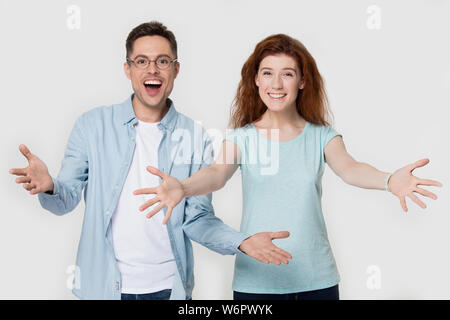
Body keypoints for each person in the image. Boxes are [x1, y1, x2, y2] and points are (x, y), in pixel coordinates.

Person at [134, 33, 443, 300]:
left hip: (317, 282)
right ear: (255, 79)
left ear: (303, 80)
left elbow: (350, 168)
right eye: (267, 73)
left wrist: (389, 180)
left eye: (288, 74)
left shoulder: (322, 137)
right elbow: (216, 175)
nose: (277, 84)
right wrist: (183, 187)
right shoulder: (242, 139)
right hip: (256, 282)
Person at [8, 22, 293, 300]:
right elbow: (66, 198)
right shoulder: (92, 125)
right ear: (127, 69)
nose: (152, 70)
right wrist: (49, 186)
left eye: (163, 61)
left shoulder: (193, 136)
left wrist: (241, 242)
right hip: (104, 287)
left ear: (176, 69)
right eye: (142, 61)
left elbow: (197, 219)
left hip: (168, 289)